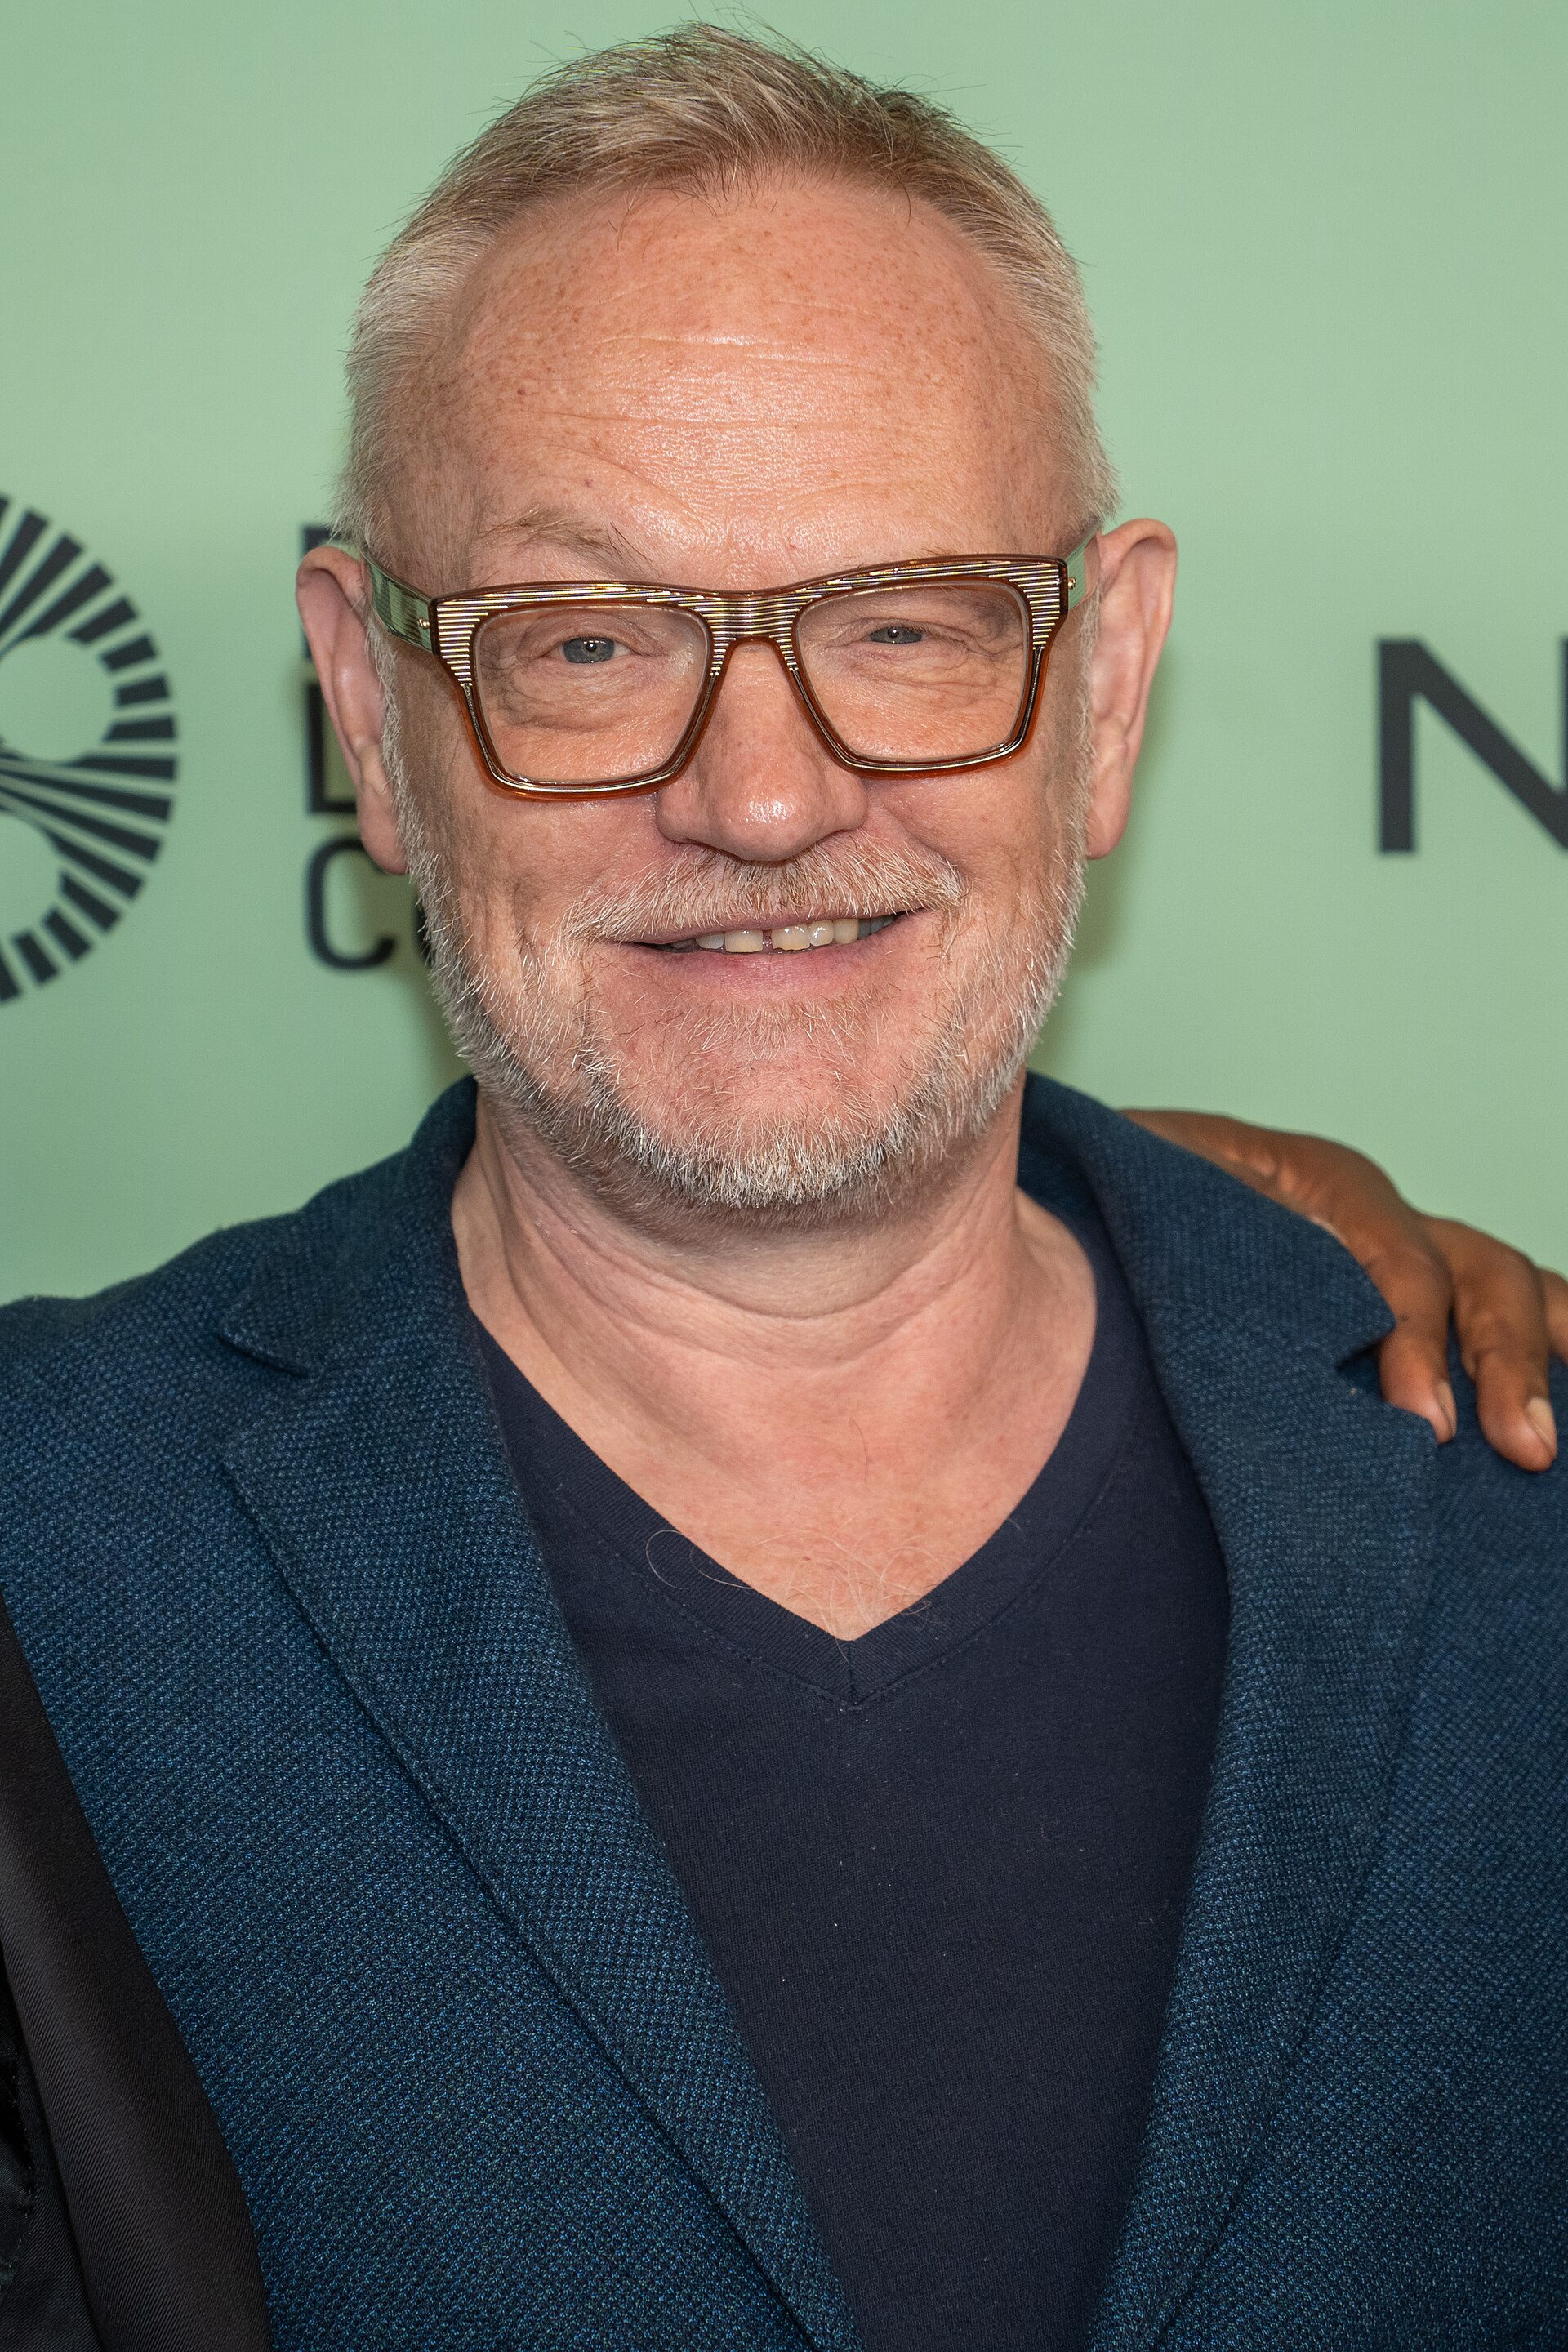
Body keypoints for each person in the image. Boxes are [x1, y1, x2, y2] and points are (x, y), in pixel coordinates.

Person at [2, 28, 1566, 2350]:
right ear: (371, 712)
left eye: (905, 622)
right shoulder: (42, 1542)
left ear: (1108, 686)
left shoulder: (1508, 1506)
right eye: (588, 642)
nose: (757, 798)